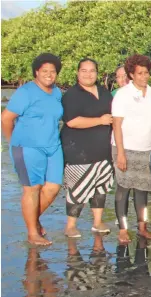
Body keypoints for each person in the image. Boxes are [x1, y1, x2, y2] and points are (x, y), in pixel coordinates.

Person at [2, 53, 64, 246]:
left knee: (53, 188)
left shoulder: (57, 92)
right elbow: (6, 118)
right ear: (37, 72)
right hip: (27, 147)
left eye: (52, 71)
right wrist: (14, 142)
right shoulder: (25, 92)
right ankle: (32, 233)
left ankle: (34, 220)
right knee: (32, 189)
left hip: (53, 146)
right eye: (44, 71)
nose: (49, 74)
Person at [60, 58, 116, 238]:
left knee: (100, 188)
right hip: (78, 150)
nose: (88, 74)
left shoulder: (104, 92)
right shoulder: (72, 95)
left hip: (103, 150)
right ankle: (71, 225)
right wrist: (100, 120)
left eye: (92, 71)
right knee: (77, 188)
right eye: (84, 70)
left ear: (97, 73)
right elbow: (72, 121)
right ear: (77, 73)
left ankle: (98, 222)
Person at [111, 54, 151, 244]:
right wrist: (121, 154)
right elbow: (117, 125)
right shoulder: (123, 94)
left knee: (143, 190)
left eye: (146, 73)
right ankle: (123, 228)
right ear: (131, 75)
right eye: (139, 73)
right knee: (123, 189)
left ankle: (142, 227)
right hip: (124, 148)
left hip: (146, 149)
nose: (144, 77)